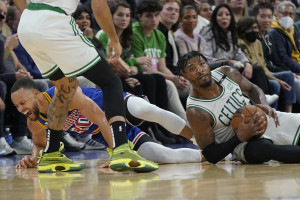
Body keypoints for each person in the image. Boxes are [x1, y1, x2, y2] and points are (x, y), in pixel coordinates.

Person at [13, 0, 158, 173]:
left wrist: (31, 16)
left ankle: (51, 154)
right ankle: (121, 149)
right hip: (53, 22)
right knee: (110, 81)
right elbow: (99, 7)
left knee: (66, 88)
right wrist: (113, 39)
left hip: (27, 25)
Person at [11, 79, 200, 169]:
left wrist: (117, 152)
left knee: (146, 110)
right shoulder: (34, 122)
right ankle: (210, 153)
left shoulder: (63, 94)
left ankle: (198, 137)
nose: (21, 109)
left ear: (35, 94)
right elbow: (39, 144)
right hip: (107, 133)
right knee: (163, 155)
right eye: (17, 106)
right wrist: (33, 158)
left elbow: (101, 117)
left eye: (23, 102)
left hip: (115, 107)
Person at [178, 51, 300, 164]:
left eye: (202, 64)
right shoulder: (196, 111)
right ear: (184, 76)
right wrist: (239, 137)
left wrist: (264, 104)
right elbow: (210, 155)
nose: (200, 70)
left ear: (208, 65)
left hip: (261, 119)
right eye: (192, 69)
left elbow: (252, 89)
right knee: (263, 149)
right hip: (241, 144)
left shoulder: (226, 73)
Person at [131, 0, 189, 122]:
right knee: (169, 84)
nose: (154, 19)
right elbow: (144, 68)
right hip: (143, 75)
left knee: (190, 86)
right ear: (139, 17)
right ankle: (185, 124)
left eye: (157, 15)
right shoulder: (134, 33)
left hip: (158, 75)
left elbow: (162, 67)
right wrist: (172, 79)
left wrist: (175, 77)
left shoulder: (159, 35)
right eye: (149, 16)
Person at [236, 16, 296, 112]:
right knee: (275, 85)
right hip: (250, 76)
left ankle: (288, 112)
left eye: (255, 28)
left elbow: (263, 67)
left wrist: (277, 79)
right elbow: (255, 67)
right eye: (250, 29)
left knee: (288, 75)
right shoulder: (240, 43)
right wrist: (277, 81)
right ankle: (270, 112)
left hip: (264, 73)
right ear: (242, 30)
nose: (254, 31)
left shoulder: (258, 43)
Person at [254, 2, 300, 107]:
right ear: (278, 15)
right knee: (289, 77)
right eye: (262, 16)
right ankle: (283, 114)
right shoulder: (271, 33)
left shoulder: (292, 30)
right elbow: (279, 59)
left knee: (289, 75)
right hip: (265, 71)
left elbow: (276, 60)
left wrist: (287, 70)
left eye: (269, 17)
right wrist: (287, 71)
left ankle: (290, 114)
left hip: (278, 68)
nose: (266, 20)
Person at [268, 1, 300, 74]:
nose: (288, 17)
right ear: (277, 13)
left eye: (291, 14)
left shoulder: (294, 28)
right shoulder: (273, 32)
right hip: (288, 69)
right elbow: (283, 58)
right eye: (285, 13)